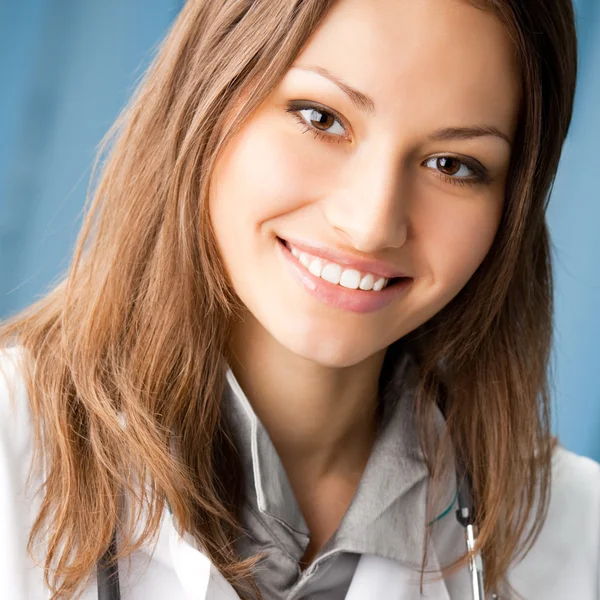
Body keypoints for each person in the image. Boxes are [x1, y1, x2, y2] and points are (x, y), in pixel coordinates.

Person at [0, 0, 598, 598]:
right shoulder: (12, 449)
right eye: (321, 117)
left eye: (452, 164)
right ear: (207, 88)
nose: (370, 224)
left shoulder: (578, 539)